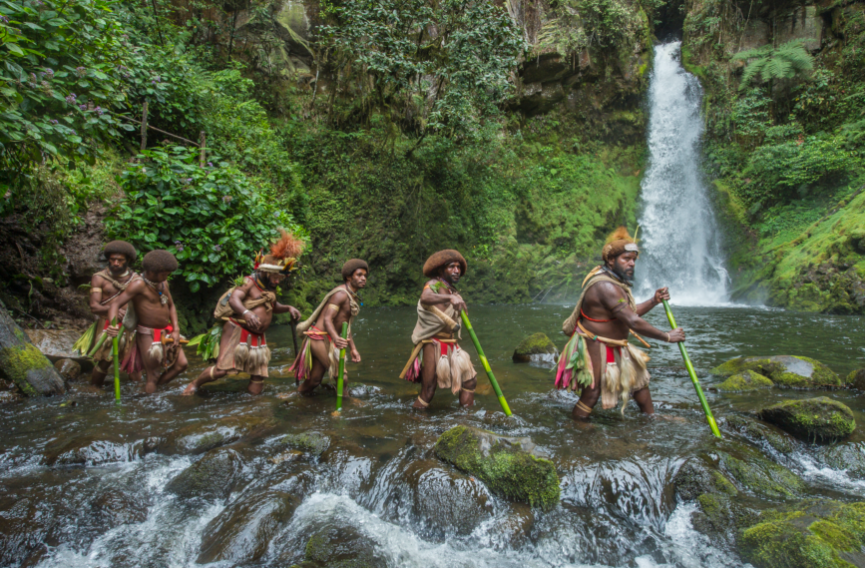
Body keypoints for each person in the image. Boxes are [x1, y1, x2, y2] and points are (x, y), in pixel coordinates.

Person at [555, 227, 685, 419]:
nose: (631, 263)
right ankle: (577, 427)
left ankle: (651, 418)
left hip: (616, 345)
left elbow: (627, 313)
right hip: (596, 344)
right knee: (592, 392)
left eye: (634, 259)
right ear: (611, 260)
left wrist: (653, 301)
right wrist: (667, 336)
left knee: (640, 383)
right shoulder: (605, 286)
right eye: (626, 259)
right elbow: (632, 320)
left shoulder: (614, 282)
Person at [182, 231, 303, 396]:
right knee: (222, 370)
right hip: (238, 330)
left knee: (258, 375)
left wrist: (288, 308)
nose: (277, 281)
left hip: (258, 335)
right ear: (266, 271)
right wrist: (246, 313)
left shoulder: (269, 287)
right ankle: (194, 384)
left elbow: (272, 306)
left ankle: (252, 408)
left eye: (280, 277)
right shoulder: (249, 282)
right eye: (275, 276)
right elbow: (234, 299)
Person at [400, 249, 477, 410]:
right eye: (451, 267)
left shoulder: (450, 289)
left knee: (470, 380)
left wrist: (452, 296)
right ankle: (416, 425)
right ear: (441, 270)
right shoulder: (433, 284)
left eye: (458, 267)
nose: (457, 271)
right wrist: (450, 298)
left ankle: (466, 421)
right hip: (433, 344)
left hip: (450, 343)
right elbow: (425, 298)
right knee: (428, 390)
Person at [105, 250, 188, 394]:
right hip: (147, 334)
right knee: (153, 375)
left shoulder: (163, 283)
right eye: (164, 274)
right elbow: (114, 305)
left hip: (166, 331)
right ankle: (150, 406)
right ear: (151, 271)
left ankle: (154, 391)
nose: (166, 277)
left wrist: (176, 329)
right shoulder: (139, 285)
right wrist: (112, 326)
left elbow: (171, 305)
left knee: (182, 364)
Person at [291, 259, 368, 395]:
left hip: (328, 339)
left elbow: (346, 325)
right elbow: (327, 318)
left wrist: (353, 349)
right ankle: (347, 404)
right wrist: (336, 338)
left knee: (314, 381)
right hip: (319, 338)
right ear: (349, 277)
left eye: (365, 276)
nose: (363, 278)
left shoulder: (352, 296)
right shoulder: (341, 294)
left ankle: (295, 397)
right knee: (341, 377)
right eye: (359, 275)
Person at [82, 240, 141, 386]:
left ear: (127, 261)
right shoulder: (99, 278)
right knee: (105, 361)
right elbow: (94, 307)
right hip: (108, 325)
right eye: (112, 259)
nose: (115, 263)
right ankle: (95, 390)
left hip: (130, 326)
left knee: (133, 363)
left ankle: (140, 399)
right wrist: (114, 310)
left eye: (120, 260)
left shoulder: (137, 280)